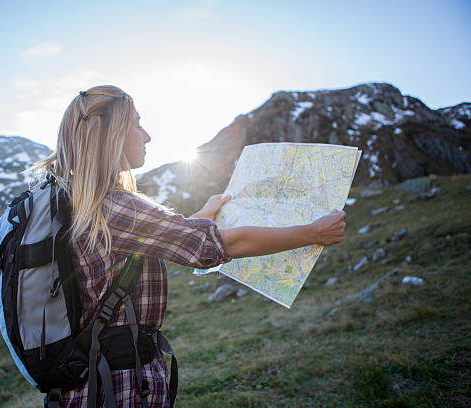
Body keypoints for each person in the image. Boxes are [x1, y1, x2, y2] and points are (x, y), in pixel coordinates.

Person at [27, 85, 346, 407]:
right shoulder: (114, 206)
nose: (147, 135)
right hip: (117, 386)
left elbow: (155, 240)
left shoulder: (72, 201)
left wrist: (204, 215)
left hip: (86, 381)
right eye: (137, 124)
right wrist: (313, 232)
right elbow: (212, 246)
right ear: (112, 135)